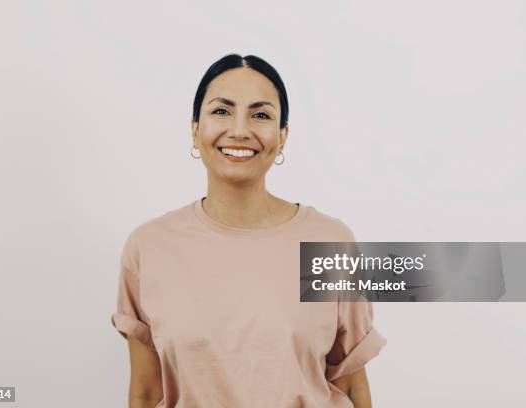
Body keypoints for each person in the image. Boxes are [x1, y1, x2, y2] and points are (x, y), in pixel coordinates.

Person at [111, 53, 386, 408]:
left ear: (282, 136)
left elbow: (350, 388)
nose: (240, 130)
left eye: (260, 115)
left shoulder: (330, 243)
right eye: (221, 111)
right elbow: (146, 393)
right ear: (195, 130)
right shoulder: (149, 247)